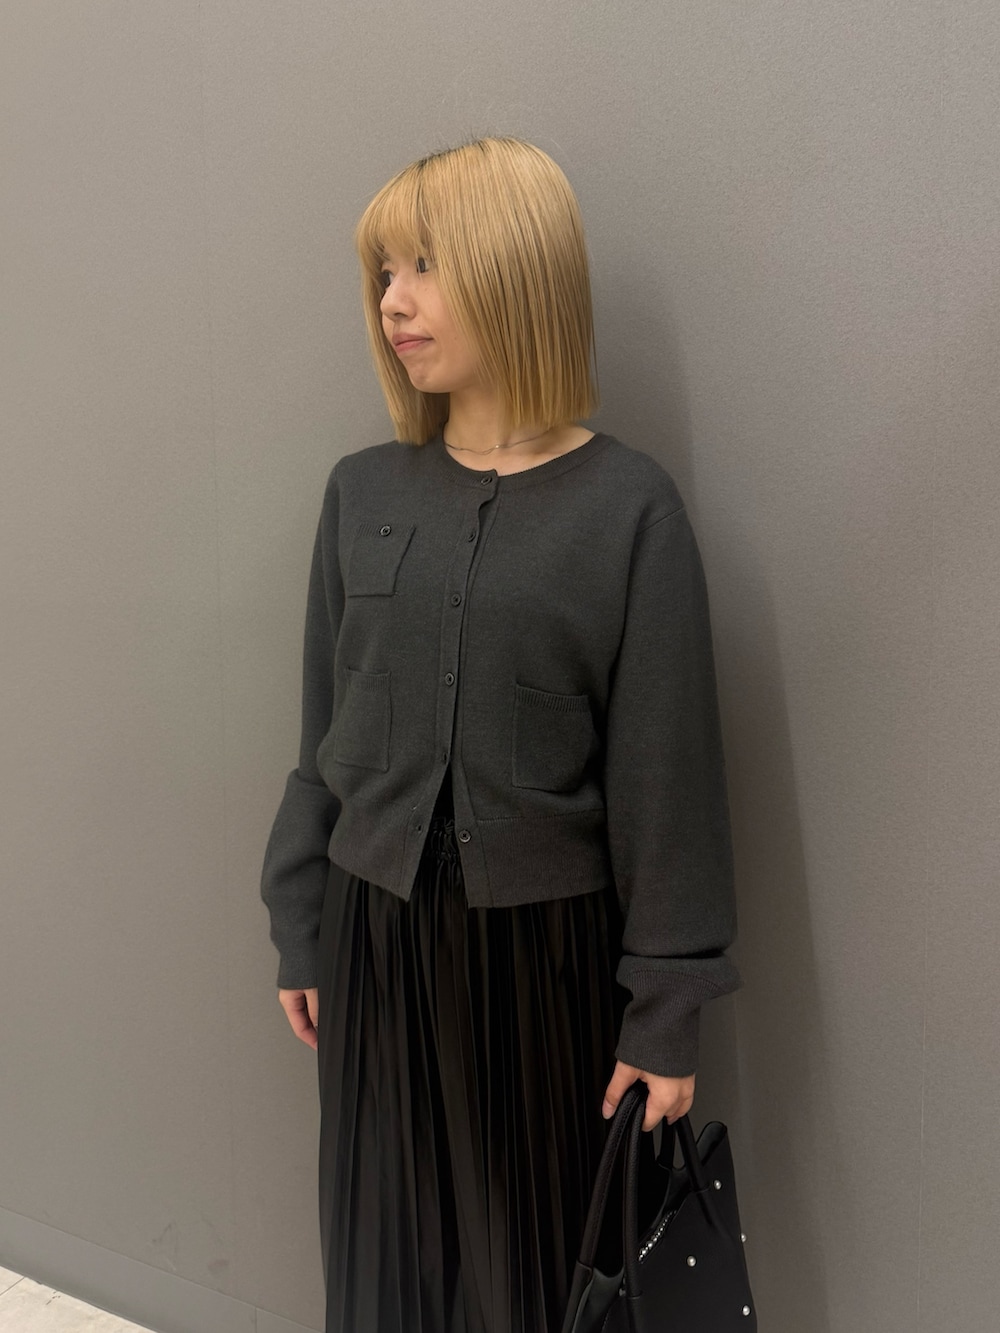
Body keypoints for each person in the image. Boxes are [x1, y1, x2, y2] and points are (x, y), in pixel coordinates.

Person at [259, 135, 741, 1333]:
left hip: (543, 960)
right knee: (383, 1255)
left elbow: (666, 777)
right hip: (373, 939)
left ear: (516, 269)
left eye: (423, 265)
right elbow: (327, 735)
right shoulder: (361, 493)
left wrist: (665, 1009)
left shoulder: (627, 509)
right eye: (382, 272)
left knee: (534, 1270)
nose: (392, 301)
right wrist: (301, 924)